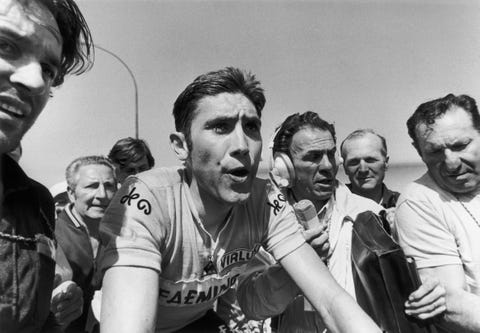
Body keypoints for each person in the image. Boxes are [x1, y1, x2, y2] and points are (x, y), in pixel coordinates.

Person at [97, 67, 382, 333]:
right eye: (220, 127)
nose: (242, 146)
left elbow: (331, 300)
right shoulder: (147, 196)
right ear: (182, 145)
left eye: (250, 127)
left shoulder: (265, 200)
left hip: (197, 323)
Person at [236, 111, 445, 332]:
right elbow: (253, 306)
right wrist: (297, 265)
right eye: (313, 156)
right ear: (284, 164)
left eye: (331, 154)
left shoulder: (372, 216)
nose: (327, 165)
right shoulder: (263, 221)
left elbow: (416, 280)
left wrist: (432, 288)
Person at [0, 0, 93, 331]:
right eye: (5, 45)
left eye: (48, 69)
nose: (38, 82)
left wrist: (56, 308)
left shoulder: (34, 205)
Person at [395, 93, 480, 332]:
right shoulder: (419, 201)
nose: (452, 163)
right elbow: (449, 303)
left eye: (461, 145)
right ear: (419, 151)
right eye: (434, 151)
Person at [55, 156, 117, 332]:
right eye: (92, 186)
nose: (102, 195)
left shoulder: (123, 236)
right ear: (71, 193)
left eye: (109, 186)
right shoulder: (50, 234)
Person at [340, 129, 400, 231]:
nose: (363, 169)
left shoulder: (403, 205)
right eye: (354, 162)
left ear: (386, 163)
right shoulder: (334, 204)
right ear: (345, 167)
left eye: (370, 160)